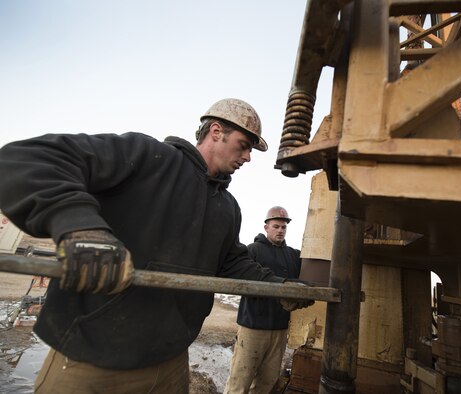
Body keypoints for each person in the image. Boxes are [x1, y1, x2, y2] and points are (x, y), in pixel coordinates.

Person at [0, 98, 300, 393]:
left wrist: (278, 286)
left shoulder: (228, 207)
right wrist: (82, 228)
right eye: (244, 145)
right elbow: (29, 160)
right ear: (217, 131)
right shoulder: (149, 157)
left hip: (170, 364)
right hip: (90, 359)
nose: (248, 157)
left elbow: (232, 262)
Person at [225, 206, 308, 394]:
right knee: (240, 381)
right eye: (276, 226)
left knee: (267, 383)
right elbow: (241, 280)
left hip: (279, 329)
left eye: (283, 227)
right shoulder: (252, 250)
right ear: (266, 228)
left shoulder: (293, 255)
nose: (280, 230)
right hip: (253, 327)